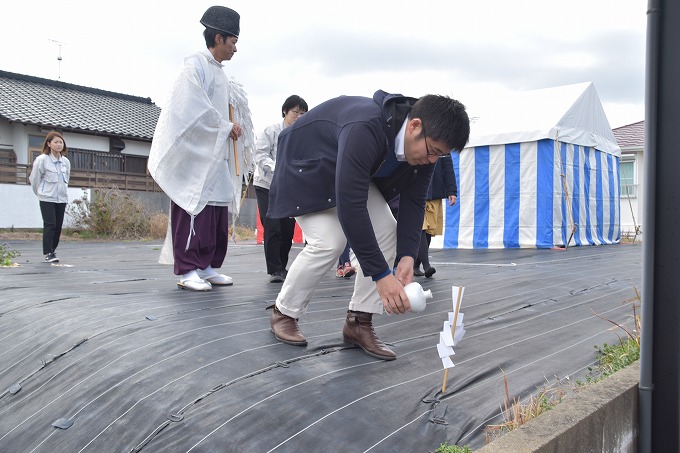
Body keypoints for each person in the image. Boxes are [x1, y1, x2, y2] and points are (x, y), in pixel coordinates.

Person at [266, 90, 470, 360]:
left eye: (440, 156)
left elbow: (414, 201)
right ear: (415, 126)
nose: (432, 160)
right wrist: (381, 276)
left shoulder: (424, 150)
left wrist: (407, 255)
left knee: (387, 230)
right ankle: (284, 312)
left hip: (347, 170)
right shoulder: (366, 126)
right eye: (433, 151)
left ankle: (358, 322)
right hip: (307, 169)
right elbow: (352, 207)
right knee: (330, 242)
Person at [148, 5, 243, 291]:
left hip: (215, 153)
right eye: (233, 42)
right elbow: (190, 109)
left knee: (215, 210)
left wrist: (231, 126)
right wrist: (226, 127)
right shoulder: (194, 65)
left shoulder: (220, 73)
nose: (235, 49)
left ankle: (207, 265)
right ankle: (187, 268)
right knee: (192, 207)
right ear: (218, 39)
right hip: (195, 154)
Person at [253, 95, 308, 283]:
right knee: (272, 225)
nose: (299, 116)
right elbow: (260, 154)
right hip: (267, 185)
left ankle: (282, 267)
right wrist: (278, 168)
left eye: (303, 113)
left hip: (289, 187)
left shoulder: (302, 136)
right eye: (295, 112)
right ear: (285, 111)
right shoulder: (271, 131)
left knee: (287, 227)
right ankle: (274, 269)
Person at [29, 131, 71, 263]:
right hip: (47, 198)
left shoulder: (65, 162)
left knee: (58, 226)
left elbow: (67, 179)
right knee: (50, 224)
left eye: (61, 142)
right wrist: (40, 193)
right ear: (49, 144)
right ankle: (48, 252)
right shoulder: (42, 160)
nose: (59, 144)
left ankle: (53, 250)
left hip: (61, 198)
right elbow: (34, 178)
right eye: (56, 142)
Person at [414, 154, 457, 278]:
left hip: (434, 192)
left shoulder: (443, 144)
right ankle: (426, 265)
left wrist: (452, 191)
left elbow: (448, 168)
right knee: (420, 227)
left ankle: (416, 264)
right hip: (416, 192)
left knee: (429, 230)